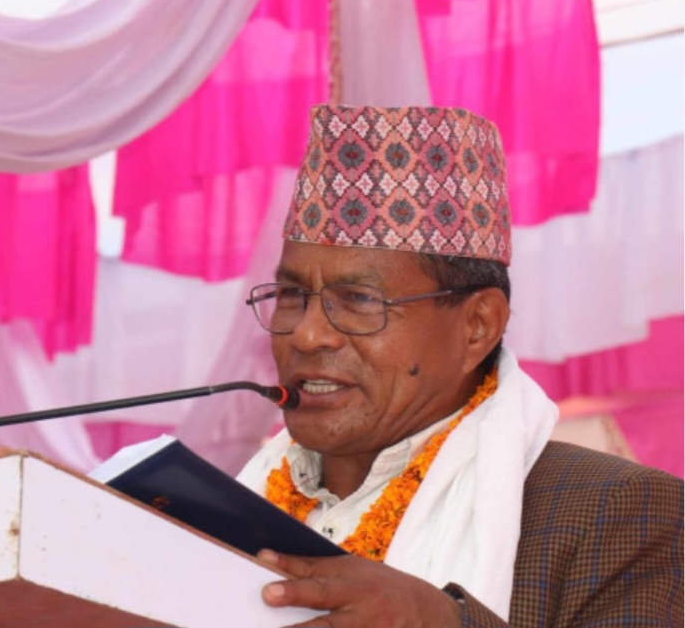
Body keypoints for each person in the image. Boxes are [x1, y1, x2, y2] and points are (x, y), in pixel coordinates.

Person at [236, 104, 683, 627]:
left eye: (359, 300)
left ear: (478, 325)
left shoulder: (616, 511)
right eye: (292, 296)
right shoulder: (225, 510)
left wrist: (445, 623)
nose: (308, 335)